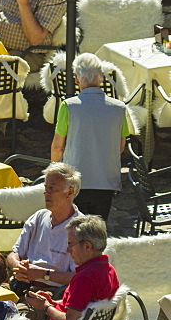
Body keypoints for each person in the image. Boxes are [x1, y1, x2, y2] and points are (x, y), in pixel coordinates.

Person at [50, 53, 131, 220]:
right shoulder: (119, 108)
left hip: (75, 181)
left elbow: (58, 147)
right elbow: (120, 147)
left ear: (77, 79)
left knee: (74, 229)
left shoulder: (69, 106)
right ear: (101, 77)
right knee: (97, 230)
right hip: (105, 181)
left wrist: (53, 174)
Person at [6, 162, 82, 299]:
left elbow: (80, 277)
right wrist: (18, 267)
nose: (46, 193)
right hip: (23, 285)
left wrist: (43, 274)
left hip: (52, 295)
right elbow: (14, 254)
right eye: (46, 187)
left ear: (69, 192)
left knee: (6, 315)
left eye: (52, 189)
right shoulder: (39, 217)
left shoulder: (79, 228)